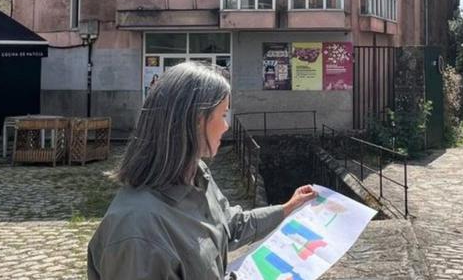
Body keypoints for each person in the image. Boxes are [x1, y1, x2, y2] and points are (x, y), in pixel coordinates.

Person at [87, 62, 316, 279]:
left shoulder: (196, 173)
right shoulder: (137, 231)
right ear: (197, 120)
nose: (227, 126)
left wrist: (286, 209)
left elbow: (230, 226)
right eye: (223, 114)